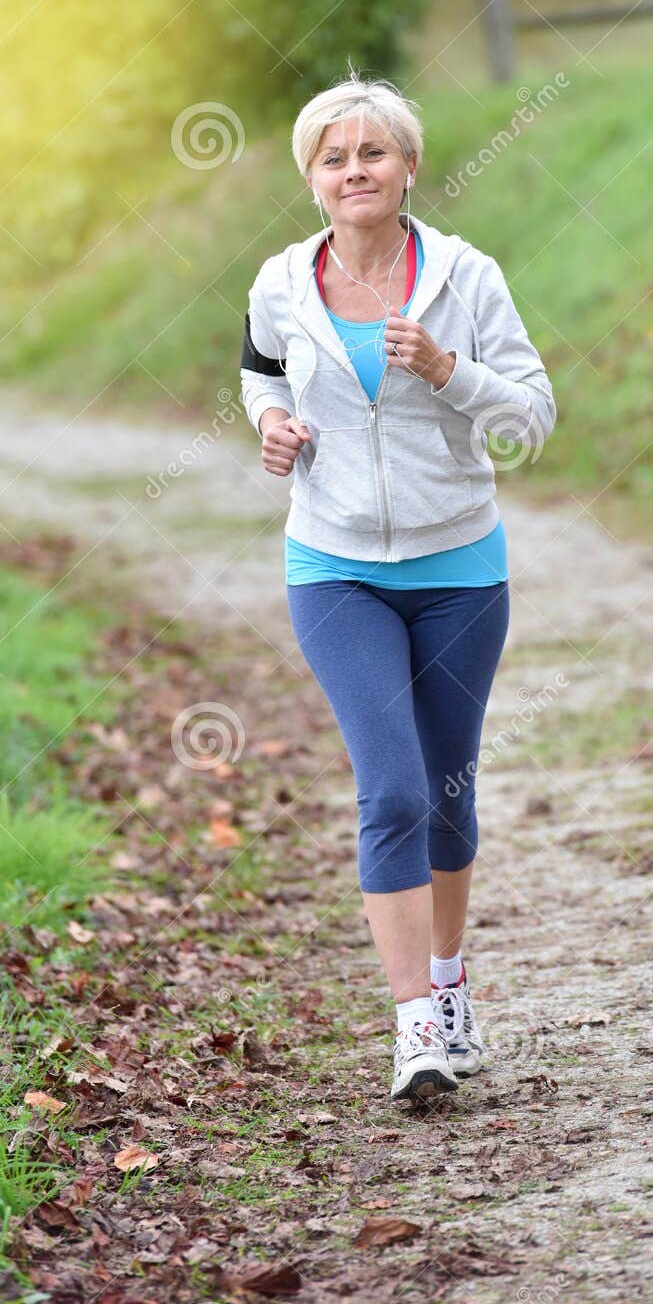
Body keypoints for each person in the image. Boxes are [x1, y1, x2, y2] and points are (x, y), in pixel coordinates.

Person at [240, 71, 556, 1103]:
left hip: (462, 567)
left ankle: (453, 983)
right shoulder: (283, 282)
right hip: (333, 568)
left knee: (451, 800)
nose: (355, 170)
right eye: (334, 158)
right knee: (395, 791)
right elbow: (262, 376)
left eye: (373, 152)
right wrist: (270, 427)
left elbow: (532, 418)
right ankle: (415, 1024)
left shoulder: (467, 278)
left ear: (410, 167)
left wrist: (450, 371)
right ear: (313, 181)